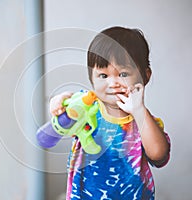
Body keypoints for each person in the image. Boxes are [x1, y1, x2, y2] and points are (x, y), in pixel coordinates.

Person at [49, 26, 171, 200]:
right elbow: (64, 108)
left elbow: (159, 155)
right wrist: (57, 101)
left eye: (123, 73)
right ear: (91, 78)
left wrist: (139, 111)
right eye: (103, 76)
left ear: (145, 76)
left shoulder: (143, 119)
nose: (113, 83)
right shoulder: (87, 107)